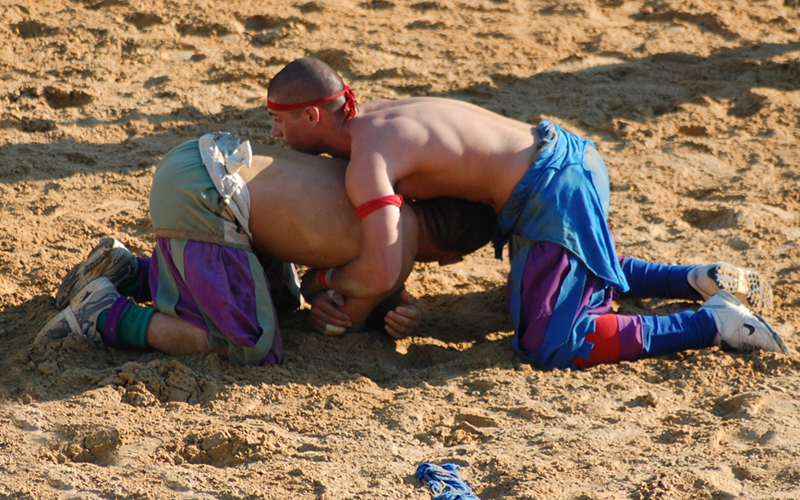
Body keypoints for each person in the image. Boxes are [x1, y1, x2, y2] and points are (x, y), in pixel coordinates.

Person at [266, 57, 790, 370]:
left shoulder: (368, 159)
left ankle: (714, 323)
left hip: (552, 188)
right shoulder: (379, 119)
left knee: (550, 342)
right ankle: (698, 279)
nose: (273, 135)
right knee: (561, 275)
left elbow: (379, 269)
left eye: (278, 122)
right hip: (563, 157)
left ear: (313, 115)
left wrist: (323, 282)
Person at [37, 133, 498, 365]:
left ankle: (131, 271)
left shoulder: (377, 180)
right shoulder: (396, 245)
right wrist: (385, 310)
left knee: (278, 298)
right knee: (250, 343)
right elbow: (341, 318)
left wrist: (331, 293)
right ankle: (105, 314)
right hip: (208, 204)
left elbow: (316, 284)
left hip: (201, 157)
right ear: (451, 258)